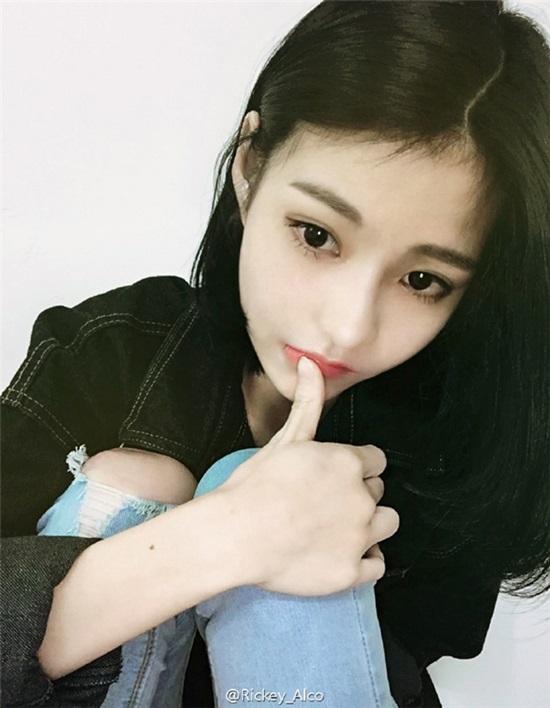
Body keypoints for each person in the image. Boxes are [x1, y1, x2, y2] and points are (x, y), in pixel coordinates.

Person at [2, 0, 549, 706]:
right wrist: (231, 534)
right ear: (250, 167)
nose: (347, 328)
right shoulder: (113, 351)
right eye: (317, 236)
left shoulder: (459, 434)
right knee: (137, 484)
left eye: (422, 281)